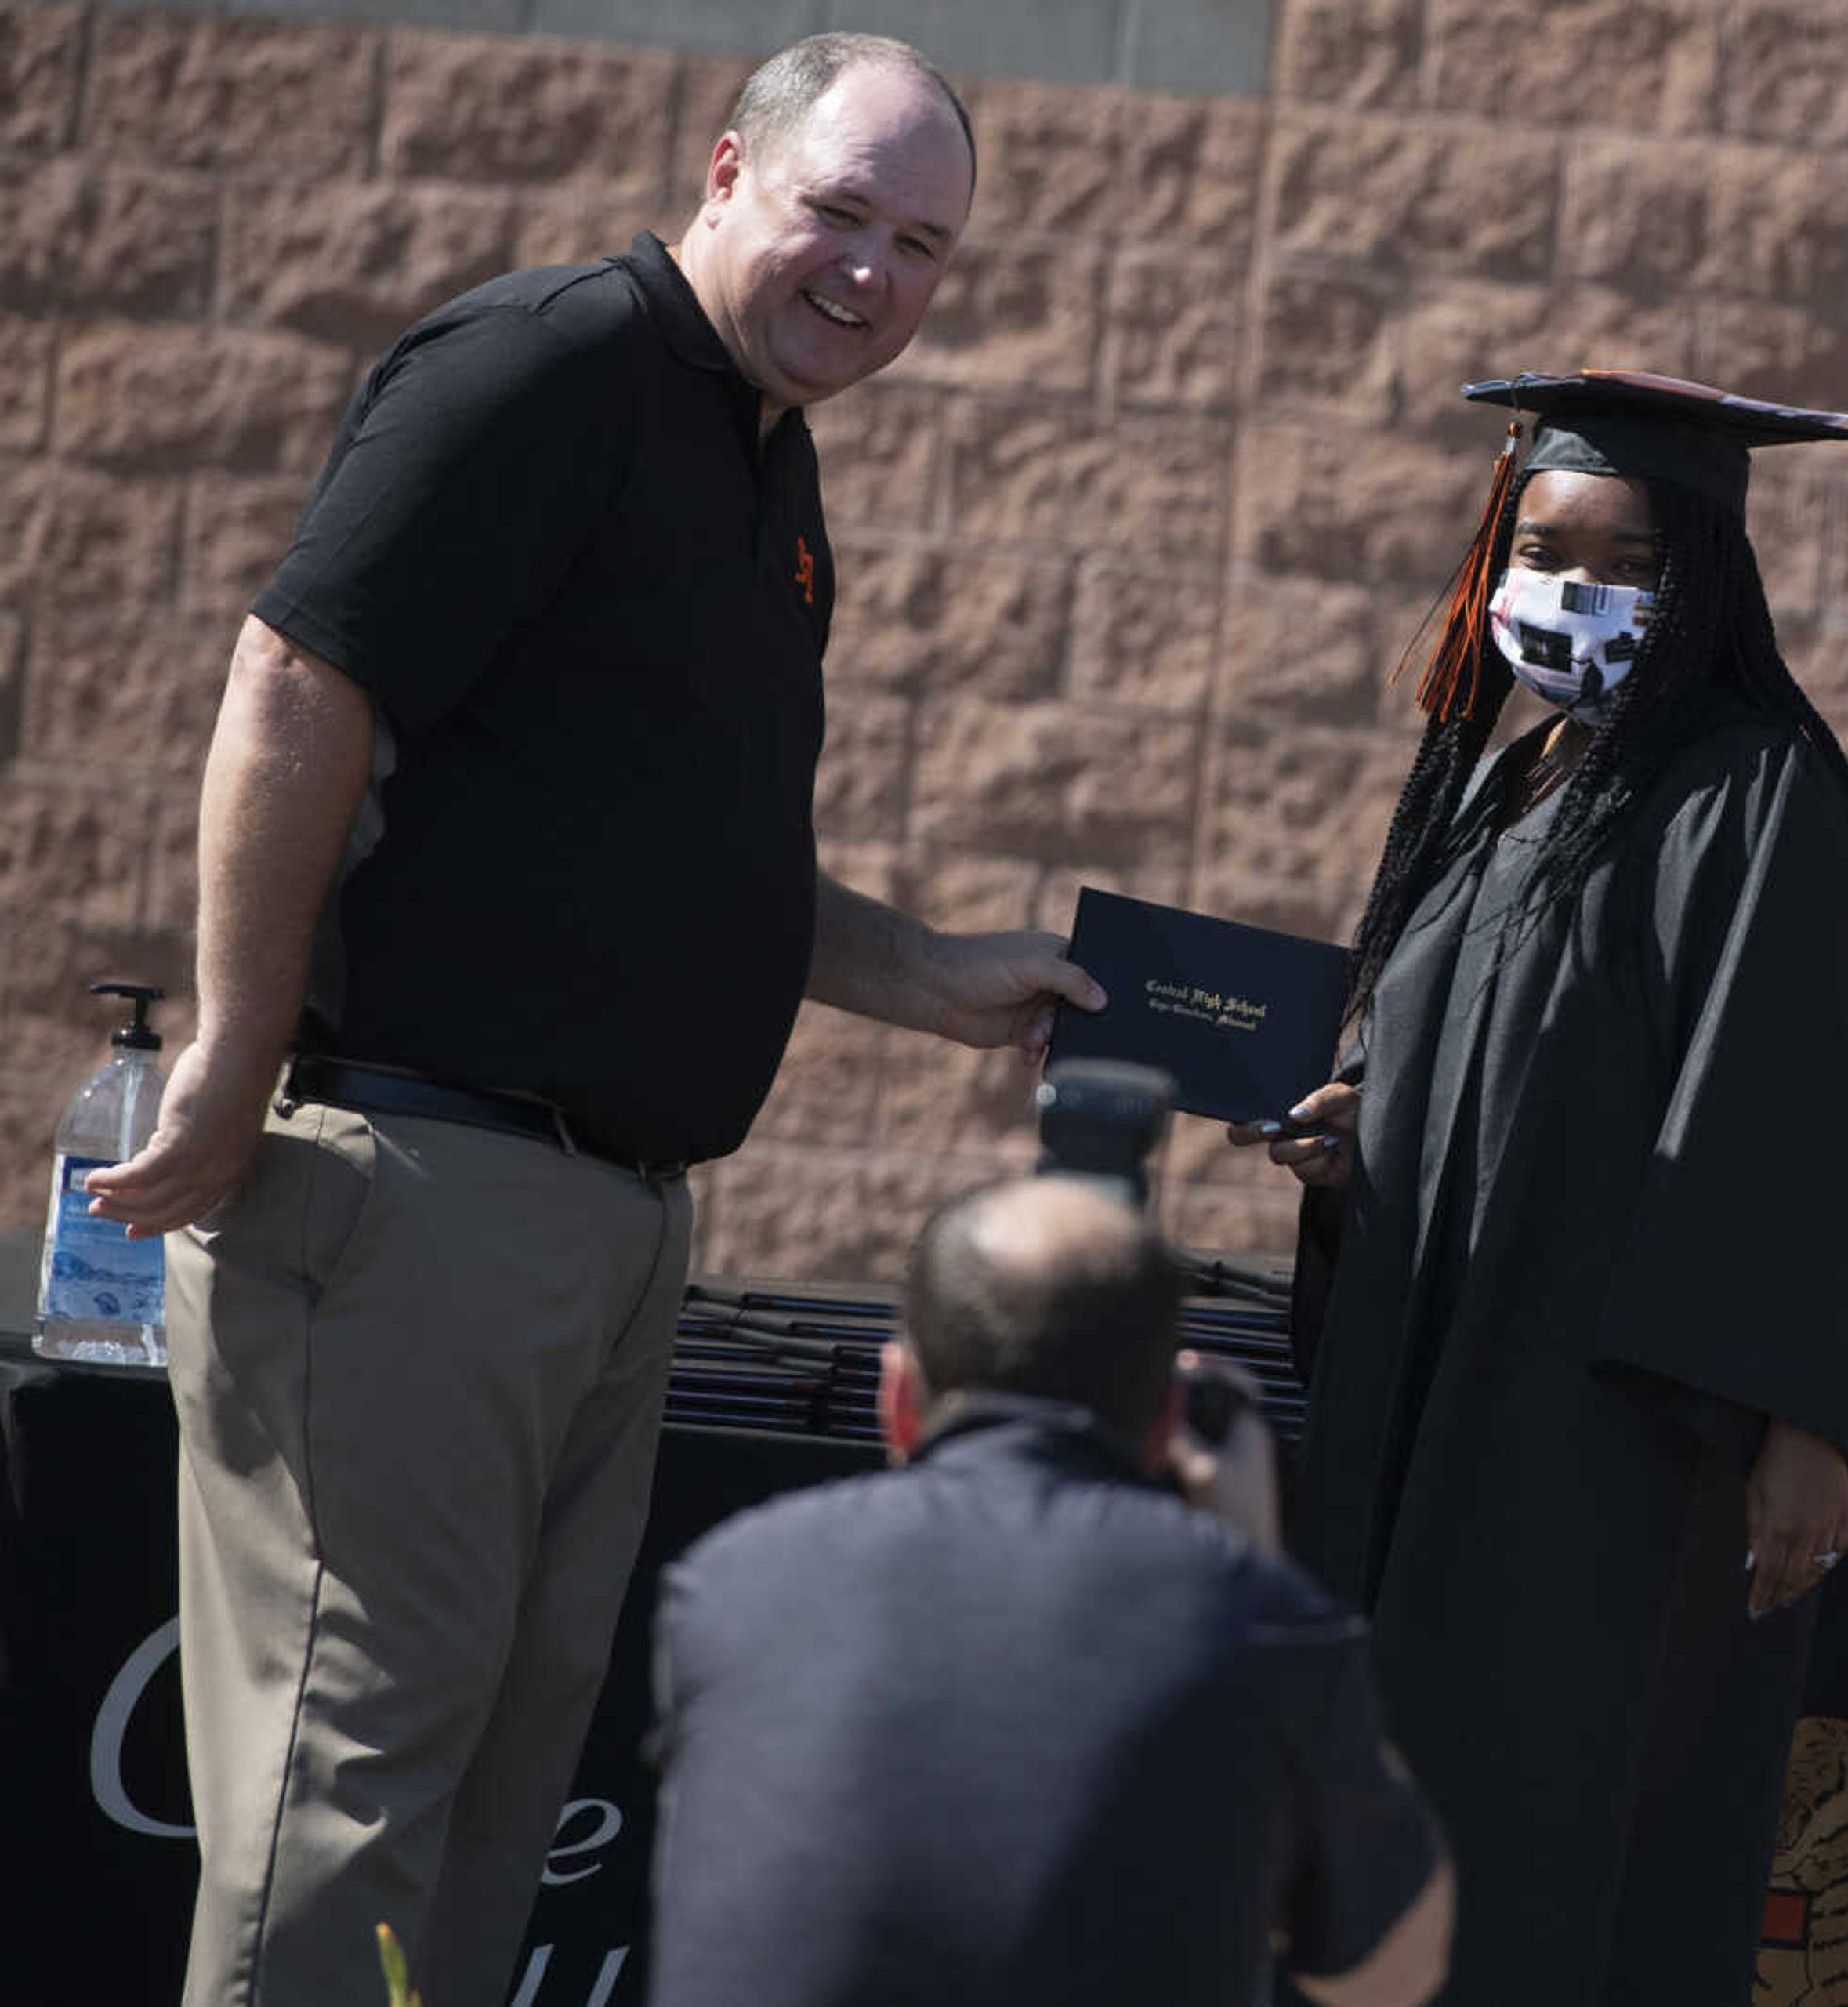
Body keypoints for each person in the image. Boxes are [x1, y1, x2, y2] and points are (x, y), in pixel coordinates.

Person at [83, 35, 1107, 2007]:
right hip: (413, 1190)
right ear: (727, 170)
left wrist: (923, 971)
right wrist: (228, 1045)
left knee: (486, 1810)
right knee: (351, 1796)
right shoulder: (546, 364)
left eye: (921, 245)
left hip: (611, 1224)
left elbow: (668, 845)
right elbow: (295, 676)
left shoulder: (761, 462)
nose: (873, 274)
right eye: (838, 213)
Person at [1230, 369, 1848, 2005]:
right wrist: (1350, 1151)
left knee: (1538, 1836)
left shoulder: (1759, 793)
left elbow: (1785, 1118)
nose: (1565, 590)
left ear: (1702, 585)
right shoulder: (1499, 780)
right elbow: (1467, 1071)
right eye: (1539, 546)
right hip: (1423, 1394)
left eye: (1620, 558)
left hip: (1601, 1438)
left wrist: (1802, 1418)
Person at [645, 1177, 1453, 2007]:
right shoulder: (1250, 1615)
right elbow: (1390, 1973)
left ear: (896, 1400)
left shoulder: (729, 1575)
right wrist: (1251, 1557)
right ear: (1167, 1420)